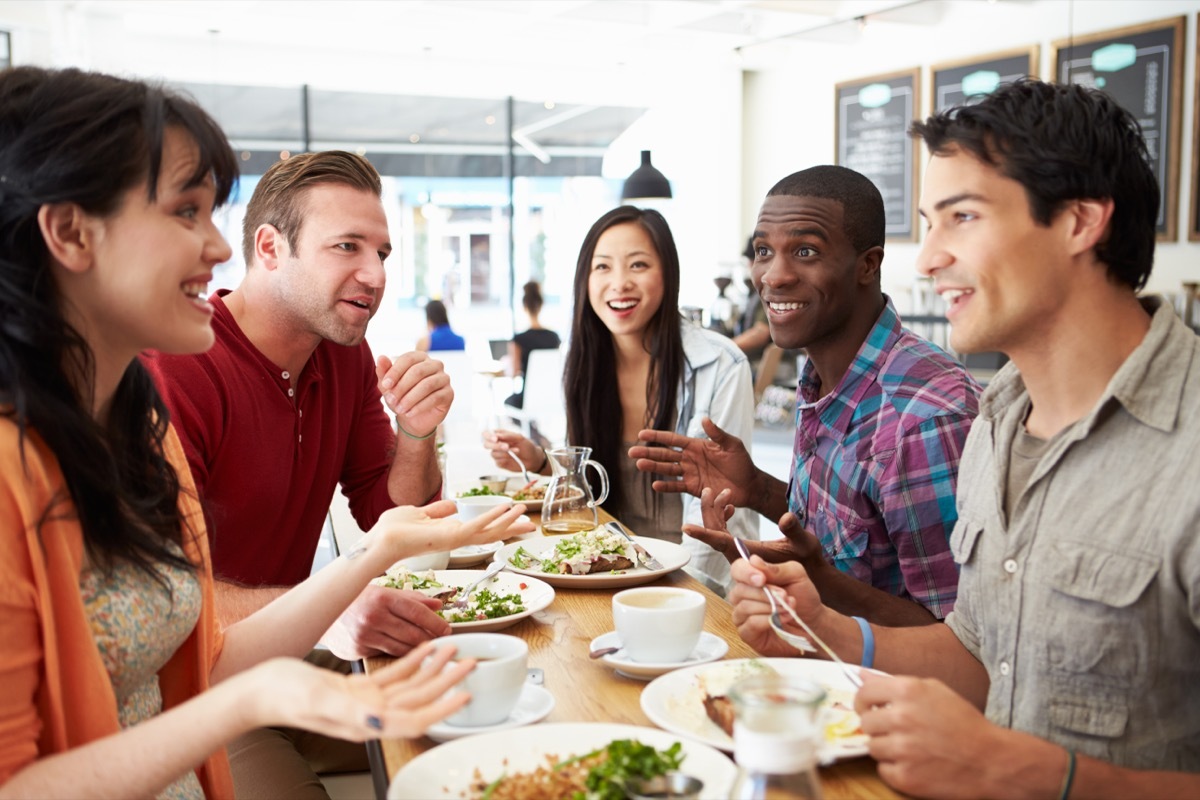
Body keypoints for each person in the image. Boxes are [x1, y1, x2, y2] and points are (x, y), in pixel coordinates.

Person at [0, 65, 528, 799]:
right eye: (187, 212)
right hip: (230, 707)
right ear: (68, 232)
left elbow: (206, 642)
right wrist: (275, 674)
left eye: (381, 253)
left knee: (493, 734)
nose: (219, 247)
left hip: (249, 684)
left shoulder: (121, 420)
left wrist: (402, 477)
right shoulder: (148, 393)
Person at [731, 79, 1200, 797]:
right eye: (928, 223)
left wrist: (1035, 774)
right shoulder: (998, 420)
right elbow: (982, 651)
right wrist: (825, 624)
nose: (926, 259)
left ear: (1079, 223)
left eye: (963, 218)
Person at [143, 150, 534, 796]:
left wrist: (416, 430)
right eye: (346, 247)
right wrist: (328, 612)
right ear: (269, 248)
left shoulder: (344, 357)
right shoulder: (183, 365)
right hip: (193, 690)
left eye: (382, 252)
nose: (374, 274)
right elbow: (171, 600)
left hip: (293, 653)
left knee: (488, 722)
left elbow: (389, 515)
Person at [631, 165, 981, 624]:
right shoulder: (822, 375)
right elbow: (848, 534)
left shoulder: (924, 417)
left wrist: (816, 581)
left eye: (805, 251)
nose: (773, 276)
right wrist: (758, 489)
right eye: (762, 251)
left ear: (868, 265)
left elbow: (963, 641)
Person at [484, 206, 757, 593]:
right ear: (585, 279)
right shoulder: (582, 363)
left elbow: (718, 520)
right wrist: (541, 461)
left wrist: (683, 598)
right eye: (603, 267)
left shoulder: (721, 364)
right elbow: (590, 487)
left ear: (668, 274)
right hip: (606, 573)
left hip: (696, 588)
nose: (619, 283)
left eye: (639, 265)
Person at [504, 280, 561, 409]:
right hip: (552, 398)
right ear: (541, 305)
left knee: (508, 403)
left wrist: (507, 363)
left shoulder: (519, 339)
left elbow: (513, 372)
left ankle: (531, 429)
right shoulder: (554, 337)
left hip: (527, 399)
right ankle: (534, 429)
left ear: (524, 307)